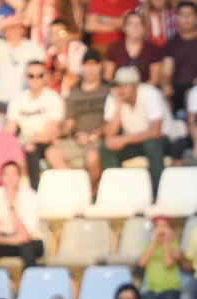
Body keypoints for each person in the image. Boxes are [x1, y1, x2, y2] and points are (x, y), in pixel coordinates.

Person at [101, 66, 168, 195]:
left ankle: (157, 194)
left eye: (125, 85)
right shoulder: (114, 97)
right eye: (118, 85)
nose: (121, 89)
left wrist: (124, 139)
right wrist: (118, 105)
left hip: (163, 140)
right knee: (106, 148)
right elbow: (109, 134)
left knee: (151, 145)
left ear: (136, 85)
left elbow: (156, 132)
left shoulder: (150, 93)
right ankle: (117, 193)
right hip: (134, 141)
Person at [5, 59, 67, 189]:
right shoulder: (17, 100)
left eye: (40, 75)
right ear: (25, 77)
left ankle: (34, 190)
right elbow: (9, 129)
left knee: (30, 147)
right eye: (31, 75)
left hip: (45, 141)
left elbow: (49, 133)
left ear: (46, 76)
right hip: (24, 141)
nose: (35, 79)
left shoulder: (53, 98)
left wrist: (26, 140)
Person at [0, 161, 46, 269]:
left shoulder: (30, 196)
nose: (10, 178)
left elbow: (25, 235)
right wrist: (9, 241)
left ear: (19, 177)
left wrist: (11, 207)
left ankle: (30, 284)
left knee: (27, 248)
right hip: (2, 238)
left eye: (14, 174)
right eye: (6, 174)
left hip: (30, 241)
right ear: (1, 178)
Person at [58, 50, 111, 190]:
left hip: (99, 140)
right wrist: (62, 130)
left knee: (92, 157)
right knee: (52, 152)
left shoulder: (109, 91)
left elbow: (111, 122)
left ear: (100, 67)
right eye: (87, 65)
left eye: (95, 65)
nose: (91, 69)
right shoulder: (74, 93)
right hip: (78, 139)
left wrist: (92, 135)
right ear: (82, 67)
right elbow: (70, 122)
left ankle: (87, 192)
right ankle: (77, 188)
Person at [160, 1, 197, 111]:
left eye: (190, 14)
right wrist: (166, 85)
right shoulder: (172, 43)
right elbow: (166, 71)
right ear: (177, 18)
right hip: (179, 90)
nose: (186, 18)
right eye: (182, 15)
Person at [0, 17, 44, 111]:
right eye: (8, 28)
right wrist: (7, 21)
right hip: (0, 99)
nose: (12, 30)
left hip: (24, 100)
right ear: (3, 31)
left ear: (22, 30)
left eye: (16, 27)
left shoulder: (34, 47)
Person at [102, 12, 164, 86]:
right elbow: (108, 77)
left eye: (139, 24)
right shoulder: (114, 48)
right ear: (124, 28)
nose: (135, 27)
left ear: (144, 28)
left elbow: (154, 80)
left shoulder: (152, 50)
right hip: (119, 91)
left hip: (145, 91)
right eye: (131, 24)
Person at [138, 216, 184, 299]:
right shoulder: (148, 246)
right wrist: (154, 242)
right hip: (151, 290)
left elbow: (168, 263)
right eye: (158, 226)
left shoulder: (174, 246)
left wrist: (166, 243)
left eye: (164, 226)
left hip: (170, 289)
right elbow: (142, 263)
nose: (161, 229)